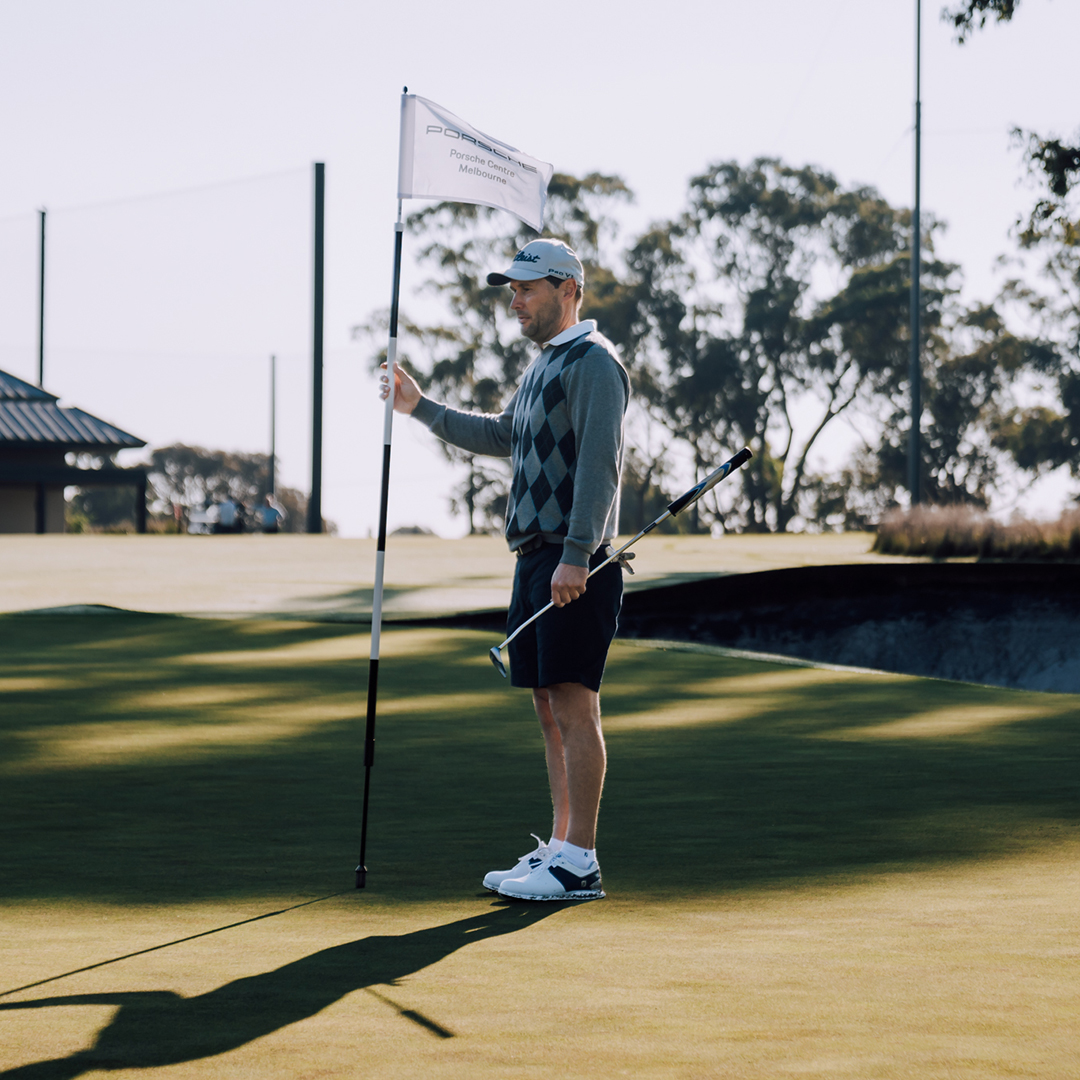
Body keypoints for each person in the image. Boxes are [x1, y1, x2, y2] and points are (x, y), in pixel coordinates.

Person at [382, 238, 629, 901]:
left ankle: (580, 861)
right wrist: (419, 408)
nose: (515, 301)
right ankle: (560, 847)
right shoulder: (545, 364)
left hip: (573, 559)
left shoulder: (594, 362)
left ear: (568, 289)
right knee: (548, 706)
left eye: (527, 288)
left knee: (575, 705)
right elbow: (502, 434)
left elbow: (600, 464)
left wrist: (577, 553)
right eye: (512, 290)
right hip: (536, 557)